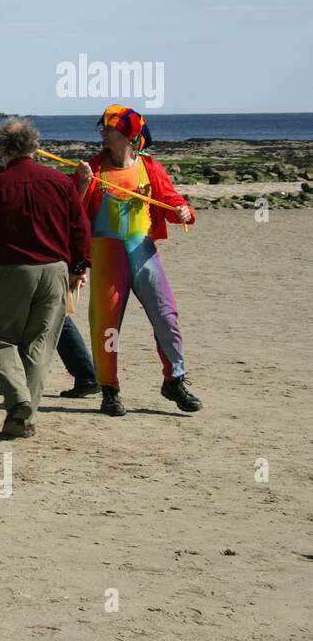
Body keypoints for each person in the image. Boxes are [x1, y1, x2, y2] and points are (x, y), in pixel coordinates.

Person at [74, 105, 201, 416]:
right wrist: (81, 185)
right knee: (106, 325)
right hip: (105, 251)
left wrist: (183, 210)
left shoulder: (150, 168)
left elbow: (171, 200)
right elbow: (72, 213)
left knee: (166, 315)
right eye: (102, 126)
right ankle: (110, 390)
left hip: (141, 247)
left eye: (110, 128)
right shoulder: (92, 168)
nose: (102, 131)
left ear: (129, 136)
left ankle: (175, 380)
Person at [0, 118, 90, 439]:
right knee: (39, 345)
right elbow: (79, 227)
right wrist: (79, 267)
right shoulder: (58, 181)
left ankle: (19, 402)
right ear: (34, 147)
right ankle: (25, 416)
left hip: (12, 269)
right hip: (54, 269)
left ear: (0, 150)